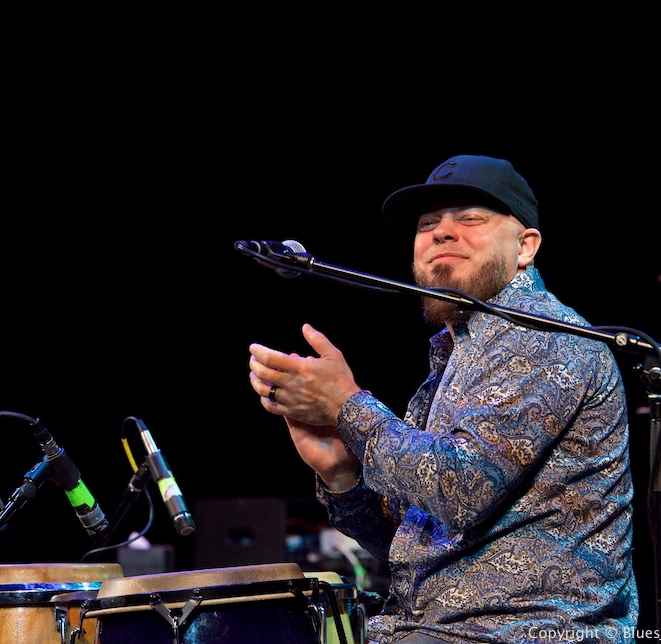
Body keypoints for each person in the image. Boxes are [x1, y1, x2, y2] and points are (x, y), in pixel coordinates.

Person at [247, 155, 638, 644]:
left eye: (470, 218)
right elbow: (410, 547)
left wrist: (349, 407)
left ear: (526, 246)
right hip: (435, 630)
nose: (441, 232)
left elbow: (461, 486)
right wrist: (343, 475)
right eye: (428, 224)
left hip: (524, 631)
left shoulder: (544, 337)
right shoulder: (457, 357)